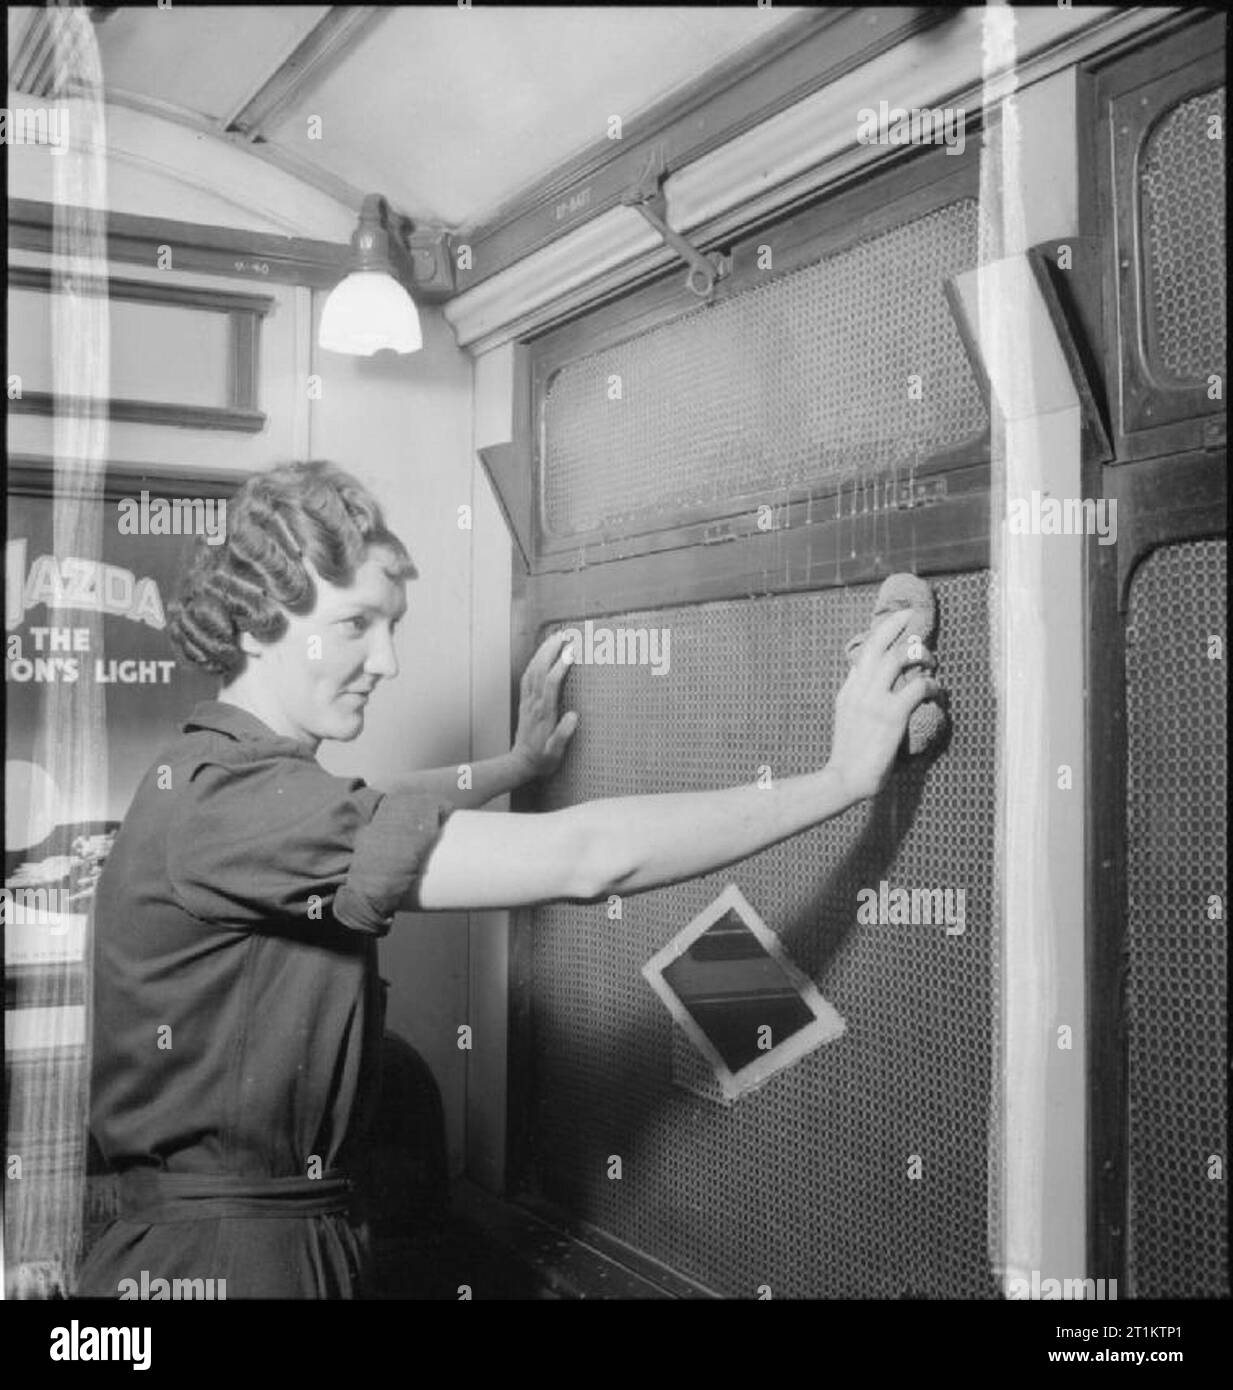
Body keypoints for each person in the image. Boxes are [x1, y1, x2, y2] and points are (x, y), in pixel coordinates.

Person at [76, 460, 939, 1299]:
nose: (388, 662)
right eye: (354, 625)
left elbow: (378, 810)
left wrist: (516, 762)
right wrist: (837, 779)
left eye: (394, 626)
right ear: (258, 622)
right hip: (225, 1260)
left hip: (244, 1241)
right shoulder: (241, 804)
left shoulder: (222, 781)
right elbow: (584, 856)